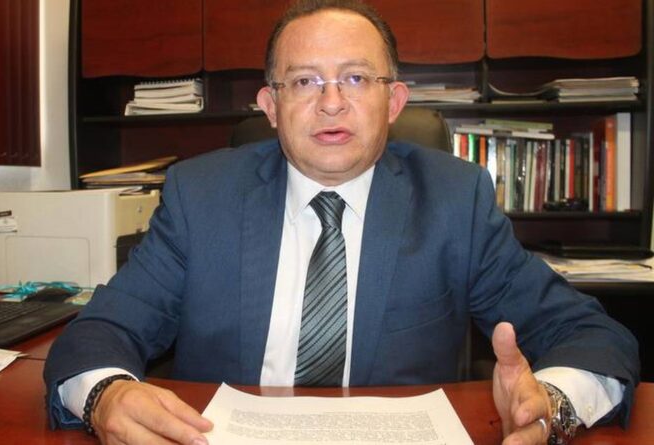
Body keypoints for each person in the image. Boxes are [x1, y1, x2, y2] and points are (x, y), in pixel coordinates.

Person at [44, 1, 640, 444]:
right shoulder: (201, 197)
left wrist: (552, 404)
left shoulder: (455, 201)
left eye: (356, 78)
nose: (331, 103)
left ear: (394, 102)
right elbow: (101, 331)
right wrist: (105, 396)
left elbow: (591, 336)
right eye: (305, 81)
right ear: (271, 107)